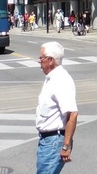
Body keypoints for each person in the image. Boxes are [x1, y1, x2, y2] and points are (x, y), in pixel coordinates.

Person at [35, 42, 78, 174]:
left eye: (41, 58)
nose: (39, 61)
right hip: (47, 140)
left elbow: (73, 114)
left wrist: (66, 146)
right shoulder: (51, 78)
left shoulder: (61, 80)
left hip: (54, 141)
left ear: (51, 60)